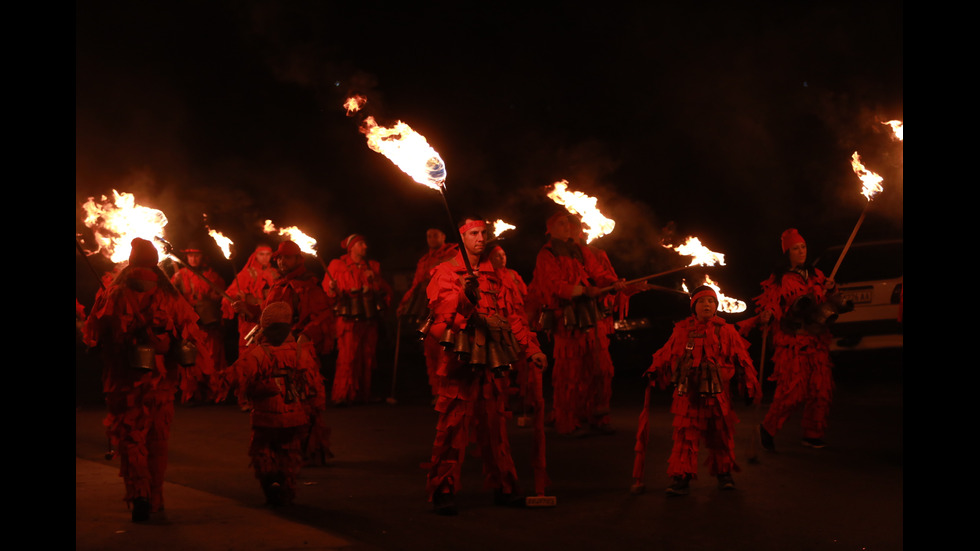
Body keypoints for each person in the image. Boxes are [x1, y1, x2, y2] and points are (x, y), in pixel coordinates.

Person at [423, 217, 547, 515]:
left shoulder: (498, 276)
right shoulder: (446, 271)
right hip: (460, 360)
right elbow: (443, 312)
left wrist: (532, 349)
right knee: (452, 425)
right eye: (474, 233)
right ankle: (443, 488)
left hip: (492, 359)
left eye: (484, 233)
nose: (481, 238)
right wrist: (465, 295)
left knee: (495, 426)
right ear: (462, 238)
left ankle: (504, 486)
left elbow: (514, 316)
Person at [83, 237, 212, 522]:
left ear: (130, 261)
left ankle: (138, 494)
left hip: (125, 381)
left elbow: (95, 334)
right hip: (162, 384)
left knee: (132, 439)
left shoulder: (114, 292)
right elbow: (190, 334)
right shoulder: (170, 293)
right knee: (157, 441)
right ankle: (156, 497)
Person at [637, 285, 760, 496]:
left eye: (711, 301)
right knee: (685, 436)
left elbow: (743, 359)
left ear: (716, 306)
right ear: (694, 306)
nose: (707, 305)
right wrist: (653, 370)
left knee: (720, 435)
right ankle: (681, 478)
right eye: (702, 301)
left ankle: (724, 474)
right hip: (689, 394)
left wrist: (750, 385)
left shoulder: (727, 331)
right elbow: (666, 352)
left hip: (719, 395)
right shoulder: (682, 330)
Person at [526, 212, 624, 436]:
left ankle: (596, 414)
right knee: (570, 372)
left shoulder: (582, 251)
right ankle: (566, 419)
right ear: (550, 228)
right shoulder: (547, 253)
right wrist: (581, 290)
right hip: (566, 320)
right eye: (561, 224)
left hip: (591, 317)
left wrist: (613, 283)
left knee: (601, 368)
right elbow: (552, 285)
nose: (567, 227)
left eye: (568, 224)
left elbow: (598, 273)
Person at [748, 228, 840, 451]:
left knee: (821, 390)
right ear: (787, 252)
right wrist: (768, 313)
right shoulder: (779, 280)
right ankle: (767, 428)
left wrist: (833, 289)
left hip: (816, 340)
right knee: (793, 391)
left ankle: (813, 434)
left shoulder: (818, 275)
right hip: (793, 342)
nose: (801, 252)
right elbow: (770, 301)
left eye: (803, 247)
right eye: (796, 248)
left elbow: (833, 302)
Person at [233, 302, 326, 506]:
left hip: (266, 418)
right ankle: (286, 489)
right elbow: (314, 385)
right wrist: (314, 409)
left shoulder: (258, 354)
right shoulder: (301, 352)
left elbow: (236, 377)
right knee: (289, 453)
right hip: (295, 417)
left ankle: (272, 487)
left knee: (264, 453)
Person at [257, 240, 334, 465]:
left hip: (300, 352)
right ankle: (288, 448)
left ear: (298, 259)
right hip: (278, 352)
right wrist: (250, 310)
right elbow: (270, 317)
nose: (281, 261)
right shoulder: (279, 285)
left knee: (306, 401)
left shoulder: (309, 284)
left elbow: (322, 317)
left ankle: (311, 449)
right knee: (284, 402)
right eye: (279, 258)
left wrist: (305, 336)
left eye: (287, 257)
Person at [324, 234, 393, 405]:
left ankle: (364, 394)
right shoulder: (337, 265)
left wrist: (374, 279)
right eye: (361, 244)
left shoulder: (373, 266)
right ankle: (343, 394)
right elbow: (327, 291)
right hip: (347, 319)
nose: (365, 247)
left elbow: (385, 292)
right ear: (352, 247)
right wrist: (332, 288)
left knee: (367, 356)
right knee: (348, 356)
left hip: (368, 319)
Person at [396, 228, 459, 396]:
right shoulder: (424, 260)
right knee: (430, 350)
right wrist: (404, 304)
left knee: (445, 350)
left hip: (447, 307)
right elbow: (416, 285)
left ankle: (449, 391)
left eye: (435, 235)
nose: (431, 238)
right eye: (429, 235)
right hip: (427, 308)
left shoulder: (453, 253)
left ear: (443, 236)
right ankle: (437, 392)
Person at [170, 242, 227, 402]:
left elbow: (222, 296)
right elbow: (171, 296)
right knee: (191, 359)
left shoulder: (212, 276)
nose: (193, 259)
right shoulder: (180, 275)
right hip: (190, 325)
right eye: (190, 255)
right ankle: (191, 394)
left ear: (202, 257)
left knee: (213, 358)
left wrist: (211, 297)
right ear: (186, 257)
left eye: (197, 255)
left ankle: (215, 394)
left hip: (210, 323)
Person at [222, 243, 280, 359]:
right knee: (249, 354)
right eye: (261, 254)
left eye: (268, 254)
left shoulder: (275, 273)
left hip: (271, 320)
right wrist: (240, 298)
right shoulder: (246, 274)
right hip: (251, 323)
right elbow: (228, 296)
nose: (265, 257)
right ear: (255, 255)